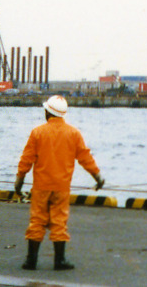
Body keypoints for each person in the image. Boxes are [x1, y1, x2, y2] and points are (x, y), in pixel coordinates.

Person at [14, 95, 104, 271]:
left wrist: (19, 182)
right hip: (62, 188)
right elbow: (85, 158)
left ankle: (31, 261)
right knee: (59, 222)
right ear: (62, 114)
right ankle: (59, 261)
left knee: (37, 222)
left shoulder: (37, 132)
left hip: (41, 187)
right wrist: (98, 178)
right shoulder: (73, 133)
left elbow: (26, 160)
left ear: (47, 112)